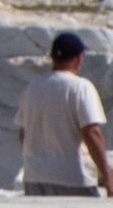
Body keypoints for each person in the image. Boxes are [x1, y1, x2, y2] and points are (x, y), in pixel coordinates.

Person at [16, 32, 113, 198]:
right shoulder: (81, 87)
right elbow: (91, 133)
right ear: (79, 58)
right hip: (73, 177)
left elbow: (23, 133)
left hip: (35, 177)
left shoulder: (33, 87)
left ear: (52, 57)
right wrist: (107, 175)